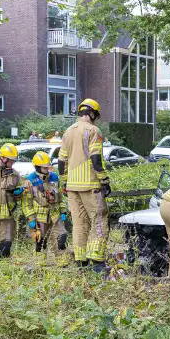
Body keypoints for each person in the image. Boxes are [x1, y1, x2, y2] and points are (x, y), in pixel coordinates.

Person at [58, 98, 110, 272]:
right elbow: (96, 159)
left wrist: (65, 182)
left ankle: (81, 262)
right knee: (99, 220)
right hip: (90, 185)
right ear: (92, 113)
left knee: (79, 224)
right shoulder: (93, 130)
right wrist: (104, 180)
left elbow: (61, 160)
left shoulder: (68, 132)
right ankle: (97, 263)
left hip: (72, 186)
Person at [22, 151, 67, 254]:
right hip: (39, 217)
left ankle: (61, 261)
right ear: (37, 167)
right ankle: (40, 263)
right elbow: (26, 203)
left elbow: (59, 197)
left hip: (55, 215)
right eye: (44, 168)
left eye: (48, 167)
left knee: (61, 237)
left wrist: (63, 210)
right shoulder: (29, 181)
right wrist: (31, 218)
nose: (47, 170)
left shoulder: (54, 178)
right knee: (41, 241)